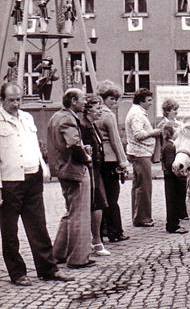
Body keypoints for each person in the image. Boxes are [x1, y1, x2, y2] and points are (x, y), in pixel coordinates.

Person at [0, 83, 74, 285]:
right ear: (2, 100)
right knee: (10, 231)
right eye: (11, 100)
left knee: (38, 226)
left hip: (33, 177)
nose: (16, 104)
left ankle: (48, 269)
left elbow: (34, 144)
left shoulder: (27, 118)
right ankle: (17, 273)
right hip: (9, 181)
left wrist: (44, 167)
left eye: (18, 99)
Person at [48, 88, 95, 269]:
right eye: (82, 99)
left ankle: (58, 253)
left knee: (70, 212)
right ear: (74, 100)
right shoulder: (68, 119)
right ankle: (78, 258)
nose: (85, 103)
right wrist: (86, 157)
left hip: (62, 169)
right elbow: (73, 144)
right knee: (80, 214)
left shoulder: (56, 117)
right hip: (74, 170)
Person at [96, 80, 129, 243]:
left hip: (99, 159)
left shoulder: (93, 113)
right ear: (103, 98)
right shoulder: (108, 115)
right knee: (112, 198)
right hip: (111, 159)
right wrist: (123, 161)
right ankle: (116, 231)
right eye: (112, 98)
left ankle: (103, 229)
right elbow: (116, 141)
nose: (115, 102)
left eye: (116, 99)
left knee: (102, 197)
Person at [125, 88, 162, 227]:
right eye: (149, 100)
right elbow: (138, 134)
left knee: (138, 185)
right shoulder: (137, 115)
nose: (151, 103)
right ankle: (143, 217)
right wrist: (154, 132)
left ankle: (138, 215)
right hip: (141, 153)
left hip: (139, 153)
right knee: (144, 186)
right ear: (141, 101)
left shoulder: (136, 112)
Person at [80, 94, 110, 257]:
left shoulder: (92, 125)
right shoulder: (84, 127)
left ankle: (96, 240)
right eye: (97, 108)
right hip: (90, 170)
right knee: (96, 204)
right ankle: (96, 242)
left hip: (97, 169)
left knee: (99, 204)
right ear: (88, 110)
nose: (100, 111)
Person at [161, 124, 188, 234]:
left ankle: (174, 223)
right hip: (172, 178)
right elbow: (169, 164)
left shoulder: (169, 145)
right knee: (172, 201)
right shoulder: (170, 146)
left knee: (174, 200)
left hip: (171, 178)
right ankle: (173, 225)